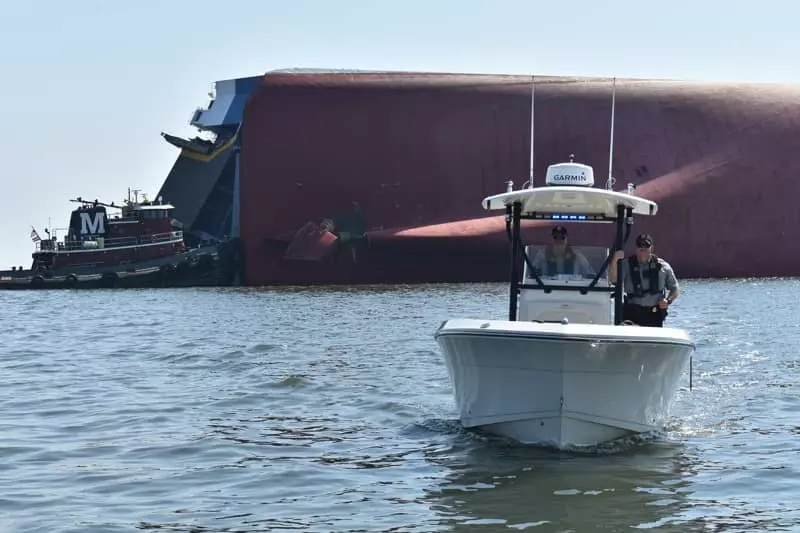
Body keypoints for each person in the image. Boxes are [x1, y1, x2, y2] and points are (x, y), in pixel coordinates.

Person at [609, 233, 680, 327]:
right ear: (636, 248)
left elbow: (675, 288)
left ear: (652, 248)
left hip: (654, 313)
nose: (643, 248)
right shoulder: (627, 265)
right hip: (631, 313)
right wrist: (615, 260)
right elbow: (613, 280)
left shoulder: (663, 266)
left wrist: (668, 301)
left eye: (646, 245)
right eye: (640, 245)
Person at [531, 225, 595, 278]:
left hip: (571, 290)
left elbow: (590, 274)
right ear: (551, 239)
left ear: (567, 239)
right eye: (555, 237)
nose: (559, 240)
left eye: (562, 237)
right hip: (547, 290)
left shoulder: (576, 255)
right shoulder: (542, 254)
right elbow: (533, 274)